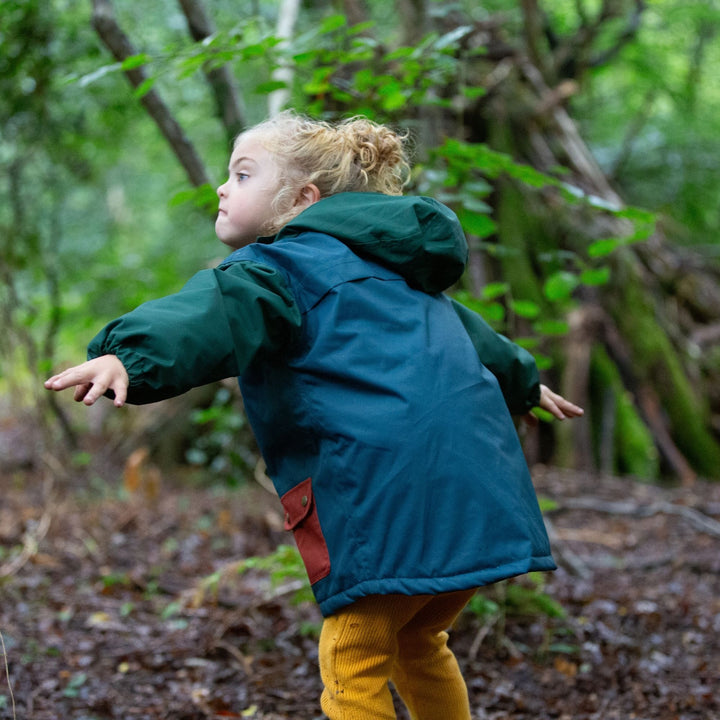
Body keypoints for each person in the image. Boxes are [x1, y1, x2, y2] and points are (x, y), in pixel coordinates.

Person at [45, 111, 583, 719]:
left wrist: (128, 356)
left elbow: (215, 310)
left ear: (302, 199)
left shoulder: (279, 270)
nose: (223, 188)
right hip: (481, 488)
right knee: (418, 640)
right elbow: (474, 336)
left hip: (388, 499)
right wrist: (523, 380)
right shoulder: (401, 276)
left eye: (243, 174)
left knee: (352, 663)